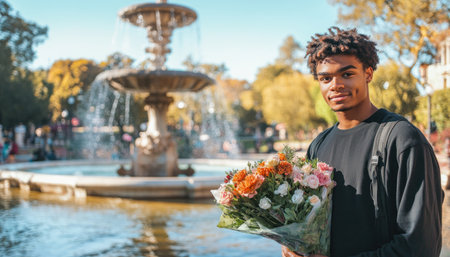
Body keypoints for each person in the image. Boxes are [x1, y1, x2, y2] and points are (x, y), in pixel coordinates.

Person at [282, 27, 444, 257]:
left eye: (347, 74)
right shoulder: (318, 145)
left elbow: (420, 247)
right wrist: (294, 244)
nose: (335, 85)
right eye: (325, 78)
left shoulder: (402, 140)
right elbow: (311, 226)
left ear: (368, 73)